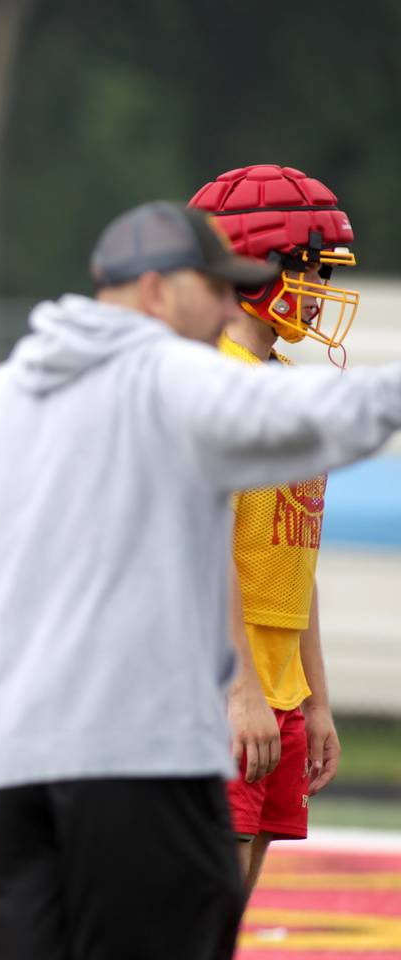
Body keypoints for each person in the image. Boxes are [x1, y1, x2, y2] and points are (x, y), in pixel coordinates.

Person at [0, 200, 401, 960]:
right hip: (149, 777)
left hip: (13, 778)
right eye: (215, 287)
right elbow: (328, 414)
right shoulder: (178, 381)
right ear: (155, 289)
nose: (228, 305)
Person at [191, 164, 356, 897]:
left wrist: (314, 700)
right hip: (223, 686)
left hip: (278, 687)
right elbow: (204, 550)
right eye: (309, 268)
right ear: (252, 267)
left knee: (225, 919)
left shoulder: (286, 391)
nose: (321, 289)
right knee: (194, 913)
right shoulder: (209, 385)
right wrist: (240, 693)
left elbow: (297, 563)